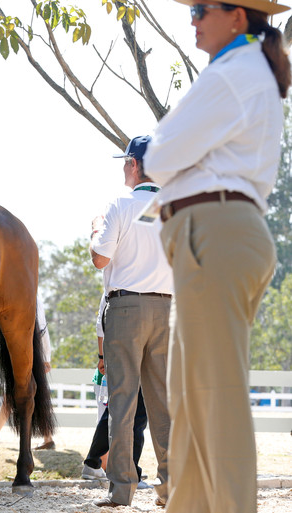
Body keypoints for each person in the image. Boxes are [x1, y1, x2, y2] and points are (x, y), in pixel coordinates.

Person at [144, 2, 290, 511]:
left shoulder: (233, 73)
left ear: (238, 16)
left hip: (215, 232)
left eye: (203, 9)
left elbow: (158, 159)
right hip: (216, 233)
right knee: (193, 400)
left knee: (212, 399)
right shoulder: (242, 68)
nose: (193, 18)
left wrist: (169, 155)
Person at [89, 136, 173, 508]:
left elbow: (100, 259)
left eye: (126, 161)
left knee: (122, 403)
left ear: (136, 164)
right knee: (164, 404)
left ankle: (121, 490)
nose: (123, 167)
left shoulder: (119, 204)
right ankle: (172, 487)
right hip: (168, 310)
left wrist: (95, 230)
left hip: (126, 310)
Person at [81, 294, 151, 491]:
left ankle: (92, 462)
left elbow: (100, 322)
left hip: (117, 349)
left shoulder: (113, 287)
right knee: (138, 415)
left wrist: (102, 356)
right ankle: (132, 474)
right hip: (136, 350)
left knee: (116, 409)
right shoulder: (138, 284)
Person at [0, 299, 53, 450]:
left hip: (26, 353)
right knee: (32, 393)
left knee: (14, 394)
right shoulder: (32, 296)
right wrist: (47, 358)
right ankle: (47, 438)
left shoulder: (23, 297)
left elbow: (4, 330)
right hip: (33, 352)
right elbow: (43, 329)